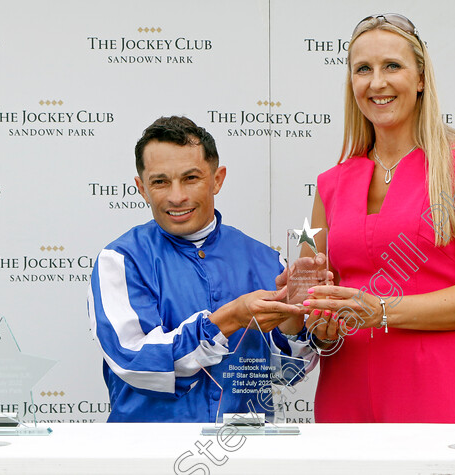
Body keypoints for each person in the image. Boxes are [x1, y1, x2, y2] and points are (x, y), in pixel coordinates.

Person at [302, 14, 455, 423]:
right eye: (363, 69)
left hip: (439, 389)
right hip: (344, 393)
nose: (376, 82)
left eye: (391, 66)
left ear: (420, 78)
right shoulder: (331, 183)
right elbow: (316, 298)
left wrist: (380, 310)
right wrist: (312, 316)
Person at [88, 116, 316, 422]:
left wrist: (293, 320)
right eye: (160, 182)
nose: (176, 196)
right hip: (146, 454)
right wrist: (228, 319)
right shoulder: (120, 259)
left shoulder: (266, 260)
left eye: (191, 178)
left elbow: (287, 375)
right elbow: (135, 364)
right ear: (141, 188)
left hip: (242, 453)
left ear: (217, 179)